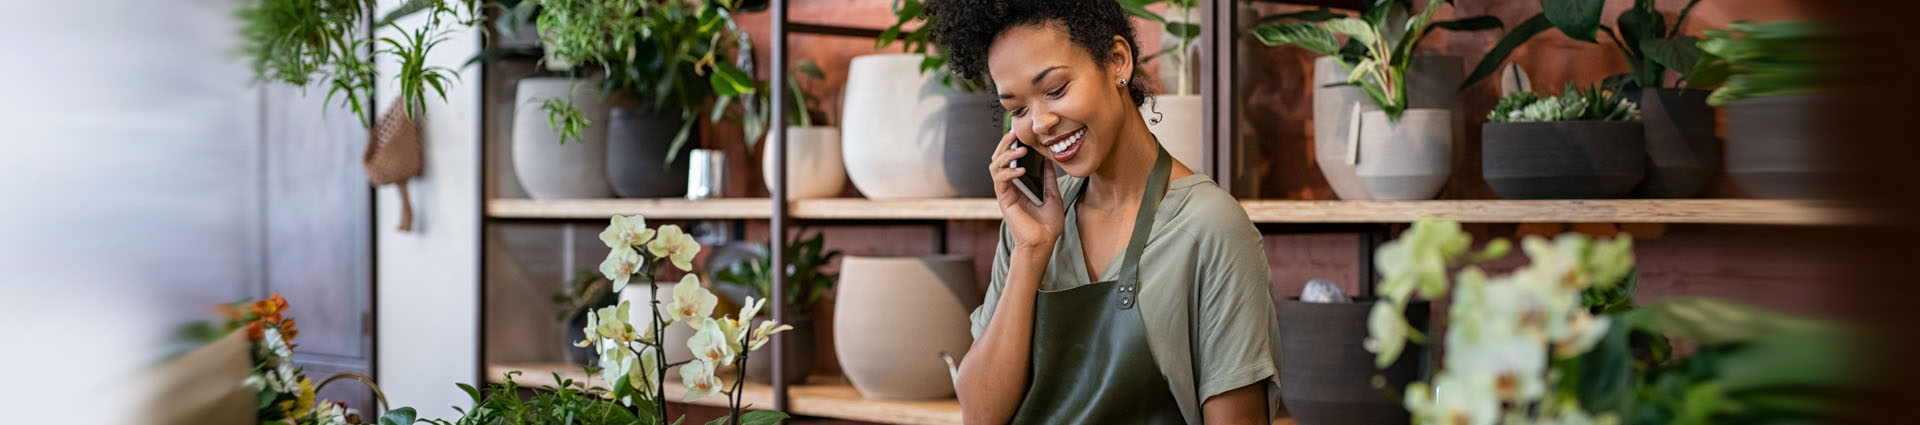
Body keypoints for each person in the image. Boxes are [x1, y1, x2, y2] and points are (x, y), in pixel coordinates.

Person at [928, 1, 1284, 424]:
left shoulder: (1210, 228)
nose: (1039, 123)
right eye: (1018, 110)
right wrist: (1031, 251)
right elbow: (980, 414)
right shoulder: (1031, 223)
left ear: (1118, 60)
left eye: (1056, 89)